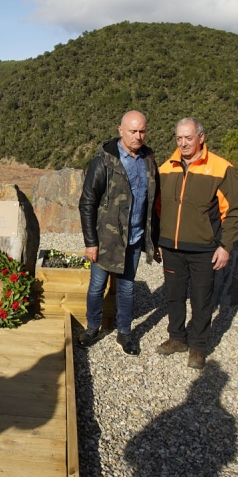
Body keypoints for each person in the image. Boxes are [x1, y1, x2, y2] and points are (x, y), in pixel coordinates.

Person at [154, 117, 238, 369]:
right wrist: (159, 240)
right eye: (179, 138)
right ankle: (176, 338)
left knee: (202, 298)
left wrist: (225, 246)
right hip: (171, 247)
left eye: (188, 138)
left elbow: (233, 211)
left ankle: (198, 346)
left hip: (205, 248)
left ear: (201, 138)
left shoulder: (221, 168)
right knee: (173, 295)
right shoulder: (165, 168)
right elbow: (157, 209)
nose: (183, 143)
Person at [77, 110, 160, 356]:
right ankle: (93, 327)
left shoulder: (149, 159)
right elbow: (87, 203)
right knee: (96, 287)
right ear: (120, 130)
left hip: (133, 239)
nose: (138, 136)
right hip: (105, 240)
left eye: (142, 131)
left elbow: (154, 201)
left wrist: (154, 240)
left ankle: (125, 333)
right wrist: (91, 242)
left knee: (126, 288)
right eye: (133, 131)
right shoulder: (103, 161)